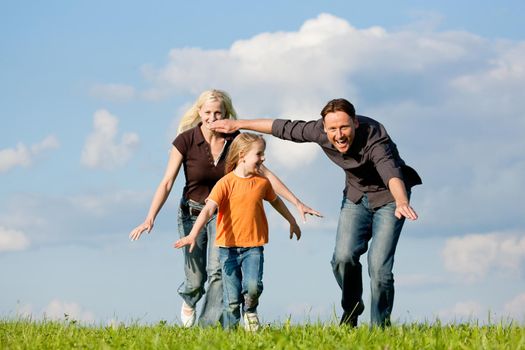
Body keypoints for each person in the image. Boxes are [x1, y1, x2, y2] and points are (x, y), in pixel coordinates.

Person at [211, 98, 422, 328]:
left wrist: (401, 200)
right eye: (332, 129)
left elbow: (390, 171)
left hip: (390, 198)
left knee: (378, 267)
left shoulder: (375, 137)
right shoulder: (319, 131)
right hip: (356, 196)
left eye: (344, 127)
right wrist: (237, 124)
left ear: (355, 124)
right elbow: (281, 127)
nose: (339, 135)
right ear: (324, 128)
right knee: (342, 258)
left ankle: (380, 328)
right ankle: (351, 309)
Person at [129, 89, 320, 328]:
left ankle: (207, 328)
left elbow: (265, 174)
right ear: (199, 112)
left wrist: (297, 202)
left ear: (226, 113)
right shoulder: (186, 141)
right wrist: (150, 218)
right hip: (193, 213)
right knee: (196, 279)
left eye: (218, 112)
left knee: (218, 271)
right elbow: (167, 181)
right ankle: (189, 298)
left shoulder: (235, 141)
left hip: (223, 216)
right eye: (207, 112)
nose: (212, 117)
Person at [174, 133, 301, 331]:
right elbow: (208, 210)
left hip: (253, 248)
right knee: (231, 299)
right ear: (242, 155)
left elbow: (276, 201)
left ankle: (250, 310)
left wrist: (291, 220)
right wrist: (192, 234)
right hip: (228, 250)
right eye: (259, 154)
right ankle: (230, 336)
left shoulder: (262, 183)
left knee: (253, 286)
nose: (263, 158)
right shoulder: (225, 183)